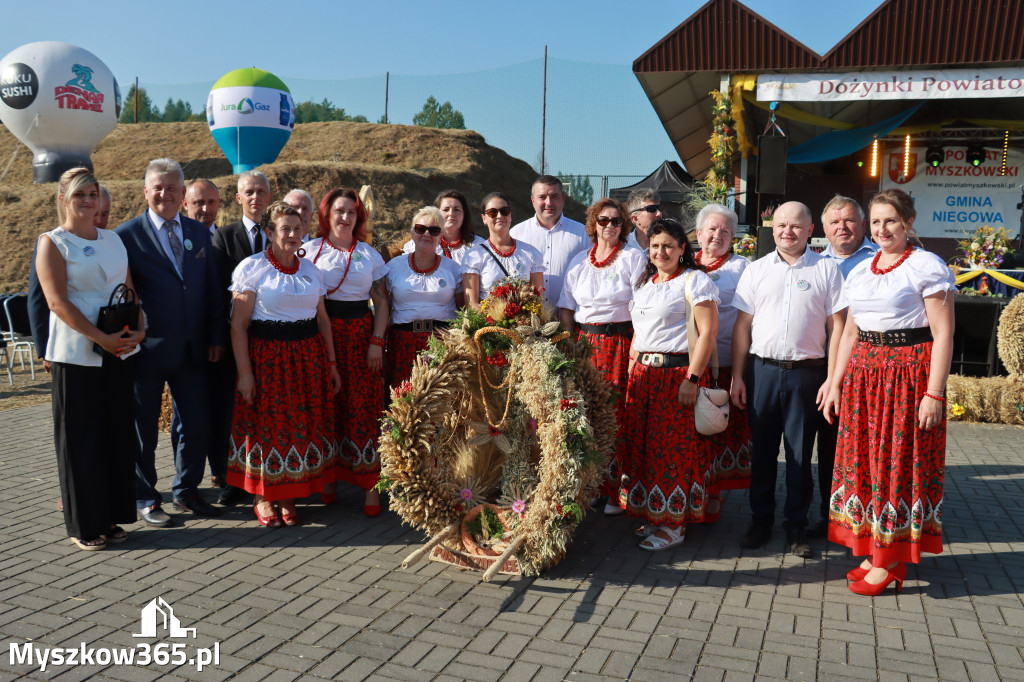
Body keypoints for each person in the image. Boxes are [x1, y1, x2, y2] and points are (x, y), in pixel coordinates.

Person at [822, 189, 954, 595]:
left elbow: (943, 332)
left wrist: (934, 393)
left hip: (907, 377)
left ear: (908, 222)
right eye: (876, 222)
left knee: (897, 463)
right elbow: (849, 332)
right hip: (865, 378)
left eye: (890, 221)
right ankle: (876, 548)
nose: (882, 229)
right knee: (866, 461)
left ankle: (892, 559)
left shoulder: (926, 266)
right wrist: (836, 383)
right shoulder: (862, 269)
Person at [730, 201, 847, 559]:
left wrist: (832, 379)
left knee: (800, 454)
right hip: (761, 372)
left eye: (796, 226)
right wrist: (737, 376)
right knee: (762, 452)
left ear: (811, 229)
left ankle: (797, 526)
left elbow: (838, 327)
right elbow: (742, 327)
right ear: (771, 228)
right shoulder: (756, 270)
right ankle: (760, 521)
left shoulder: (827, 271)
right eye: (781, 225)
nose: (788, 231)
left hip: (807, 375)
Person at [36, 168, 144, 550]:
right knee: (80, 441)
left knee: (116, 437)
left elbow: (129, 290)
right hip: (76, 355)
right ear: (64, 199)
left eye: (93, 194)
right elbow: (57, 303)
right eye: (80, 194)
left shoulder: (113, 239)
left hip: (118, 350)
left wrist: (140, 330)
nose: (88, 200)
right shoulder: (53, 243)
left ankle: (111, 517)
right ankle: (84, 525)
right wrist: (102, 338)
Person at [115, 158, 226, 526]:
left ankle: (187, 490)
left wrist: (214, 337)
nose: (165, 194)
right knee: (143, 429)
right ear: (146, 191)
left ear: (182, 193)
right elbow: (118, 293)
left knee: (195, 423)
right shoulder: (126, 236)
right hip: (147, 351)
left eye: (172, 188)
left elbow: (211, 291)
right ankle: (146, 497)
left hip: (194, 349)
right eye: (157, 187)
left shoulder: (197, 232)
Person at [228, 201, 341, 527]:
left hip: (307, 359)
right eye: (285, 229)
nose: (293, 234)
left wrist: (331, 363)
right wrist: (245, 373)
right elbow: (238, 325)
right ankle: (264, 496)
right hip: (268, 360)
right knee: (267, 427)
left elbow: (322, 320)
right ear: (269, 233)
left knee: (299, 426)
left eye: (297, 228)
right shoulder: (252, 268)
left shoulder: (311, 270)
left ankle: (288, 494)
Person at [622, 218, 719, 551]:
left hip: (677, 376)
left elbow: (708, 333)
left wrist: (692, 378)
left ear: (682, 250)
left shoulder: (695, 281)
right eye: (654, 246)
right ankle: (655, 514)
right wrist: (632, 370)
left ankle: (674, 525)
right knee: (646, 451)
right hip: (644, 378)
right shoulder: (646, 284)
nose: (660, 251)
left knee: (672, 452)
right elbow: (641, 335)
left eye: (668, 246)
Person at [558, 198, 646, 515]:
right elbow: (567, 307)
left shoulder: (633, 259)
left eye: (616, 221)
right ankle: (593, 485)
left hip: (619, 343)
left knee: (616, 415)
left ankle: (617, 491)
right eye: (603, 220)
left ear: (624, 226)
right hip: (585, 345)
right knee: (588, 416)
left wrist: (636, 348)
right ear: (594, 224)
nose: (609, 226)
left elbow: (641, 308)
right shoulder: (580, 261)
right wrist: (570, 346)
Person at [305, 187, 389, 516]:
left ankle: (370, 488)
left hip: (361, 336)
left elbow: (382, 303)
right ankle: (328, 479)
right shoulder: (310, 251)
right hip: (321, 336)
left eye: (352, 212)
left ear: (359, 217)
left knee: (364, 408)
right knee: (328, 406)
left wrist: (376, 342)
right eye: (339, 211)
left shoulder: (369, 255)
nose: (345, 217)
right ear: (326, 215)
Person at [809, 195, 878, 538]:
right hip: (819, 368)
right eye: (834, 222)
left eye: (849, 220)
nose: (842, 227)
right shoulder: (815, 264)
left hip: (866, 372)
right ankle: (828, 513)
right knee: (827, 444)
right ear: (823, 229)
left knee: (858, 447)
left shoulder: (881, 260)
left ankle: (863, 517)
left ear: (863, 224)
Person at [210, 171, 271, 506]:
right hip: (236, 341)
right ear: (238, 198)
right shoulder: (225, 236)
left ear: (269, 196)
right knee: (233, 411)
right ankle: (233, 480)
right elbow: (219, 293)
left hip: (274, 343)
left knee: (267, 411)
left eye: (261, 191)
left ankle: (270, 475)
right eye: (249, 191)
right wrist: (220, 340)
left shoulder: (280, 234)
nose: (255, 197)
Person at [694, 204, 752, 502]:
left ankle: (713, 498)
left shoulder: (742, 268)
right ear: (699, 233)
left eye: (725, 231)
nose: (717, 235)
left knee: (718, 430)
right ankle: (696, 493)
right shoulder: (684, 265)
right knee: (694, 434)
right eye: (712, 229)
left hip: (727, 365)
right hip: (691, 367)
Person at [29, 185, 111, 370]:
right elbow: (39, 299)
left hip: (109, 348)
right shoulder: (54, 243)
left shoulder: (112, 243)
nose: (98, 220)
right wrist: (45, 349)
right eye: (95, 213)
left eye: (104, 214)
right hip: (69, 348)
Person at [387, 206, 465, 388]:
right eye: (421, 229)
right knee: (403, 401)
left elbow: (463, 312)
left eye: (434, 230)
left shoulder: (453, 269)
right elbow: (385, 308)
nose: (426, 234)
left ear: (441, 236)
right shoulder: (393, 267)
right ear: (413, 233)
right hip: (402, 343)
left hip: (442, 342)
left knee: (441, 403)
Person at [510, 175, 589, 308]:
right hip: (526, 322)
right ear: (533, 200)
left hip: (570, 319)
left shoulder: (583, 234)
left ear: (563, 199)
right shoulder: (516, 234)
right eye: (542, 197)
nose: (549, 203)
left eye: (554, 196)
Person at [463, 192, 544, 308]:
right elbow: (472, 305)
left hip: (523, 323)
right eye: (492, 212)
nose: (499, 216)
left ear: (510, 215)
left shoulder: (531, 253)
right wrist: (499, 318)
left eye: (504, 211)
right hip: (487, 324)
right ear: (484, 218)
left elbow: (538, 300)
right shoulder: (474, 256)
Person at [401, 190, 477, 263]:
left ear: (464, 215)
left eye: (457, 210)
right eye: (446, 209)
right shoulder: (419, 243)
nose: (451, 214)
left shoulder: (478, 246)